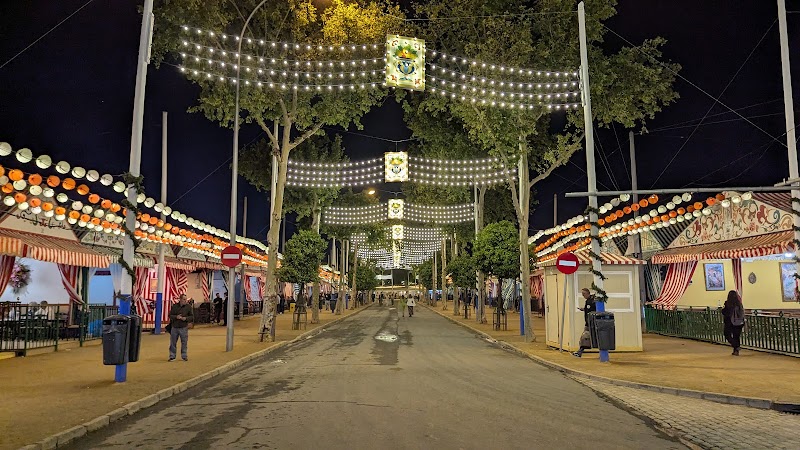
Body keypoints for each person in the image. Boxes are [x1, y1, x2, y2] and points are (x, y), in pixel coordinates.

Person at [168, 294, 194, 361]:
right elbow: (170, 315)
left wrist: (185, 318)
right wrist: (176, 317)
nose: (185, 301)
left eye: (186, 299)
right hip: (175, 327)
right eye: (184, 299)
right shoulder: (175, 306)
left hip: (183, 327)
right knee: (173, 342)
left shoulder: (188, 307)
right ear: (180, 299)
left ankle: (184, 356)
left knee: (184, 342)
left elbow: (192, 317)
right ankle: (172, 356)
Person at [573, 288, 596, 358]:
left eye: (584, 294)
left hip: (590, 323)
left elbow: (591, 311)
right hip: (590, 322)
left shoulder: (590, 301)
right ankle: (580, 351)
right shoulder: (591, 300)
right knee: (587, 337)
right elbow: (590, 310)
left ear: (587, 293)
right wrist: (584, 309)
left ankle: (580, 351)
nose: (583, 296)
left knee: (584, 337)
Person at [721, 290, 746, 356]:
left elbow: (724, 312)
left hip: (729, 323)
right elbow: (742, 313)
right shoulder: (739, 304)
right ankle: (736, 350)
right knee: (736, 336)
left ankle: (736, 346)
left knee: (727, 334)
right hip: (739, 323)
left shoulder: (727, 304)